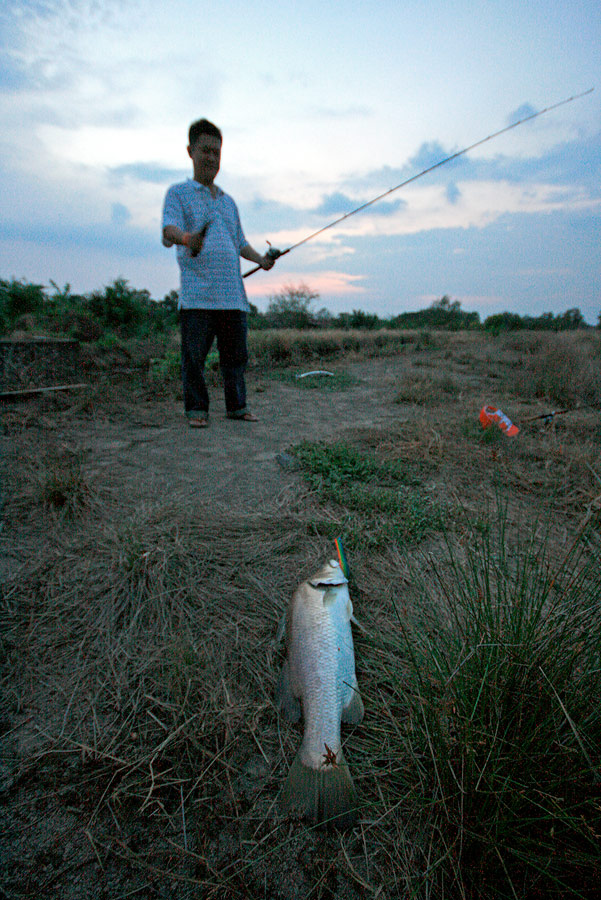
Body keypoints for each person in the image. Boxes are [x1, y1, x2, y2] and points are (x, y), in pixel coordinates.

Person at [162, 118, 276, 427]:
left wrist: (261, 260)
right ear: (190, 151)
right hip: (198, 296)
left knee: (235, 359)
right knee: (194, 359)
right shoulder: (178, 193)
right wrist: (188, 239)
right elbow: (168, 230)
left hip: (233, 296)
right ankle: (197, 410)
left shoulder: (229, 202)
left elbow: (240, 242)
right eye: (206, 151)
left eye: (217, 152)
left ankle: (237, 407)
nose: (212, 158)